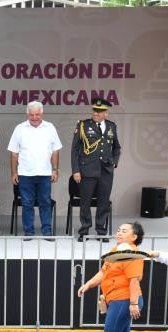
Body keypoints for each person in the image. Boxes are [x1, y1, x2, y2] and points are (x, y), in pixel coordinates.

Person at [78, 222, 148, 332]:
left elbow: (134, 281)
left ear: (134, 237)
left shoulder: (133, 255)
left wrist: (133, 304)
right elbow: (104, 272)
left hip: (124, 300)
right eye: (118, 230)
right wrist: (88, 284)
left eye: (124, 231)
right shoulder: (116, 250)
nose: (119, 233)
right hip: (117, 299)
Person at [8, 101, 62, 238]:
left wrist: (55, 170)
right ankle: (29, 232)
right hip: (25, 173)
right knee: (27, 204)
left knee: (45, 202)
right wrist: (14, 172)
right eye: (31, 115)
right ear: (27, 114)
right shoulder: (19, 128)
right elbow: (14, 153)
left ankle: (47, 231)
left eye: (37, 114)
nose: (34, 117)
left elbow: (55, 150)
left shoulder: (50, 127)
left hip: (45, 173)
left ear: (42, 113)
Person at [71, 98, 121, 240]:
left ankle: (101, 231)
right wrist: (75, 170)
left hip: (106, 171)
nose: (96, 113)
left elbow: (117, 147)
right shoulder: (83, 125)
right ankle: (84, 230)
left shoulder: (112, 126)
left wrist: (114, 162)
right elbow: (75, 149)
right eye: (94, 110)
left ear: (106, 113)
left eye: (100, 111)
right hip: (87, 170)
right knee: (85, 202)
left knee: (103, 202)